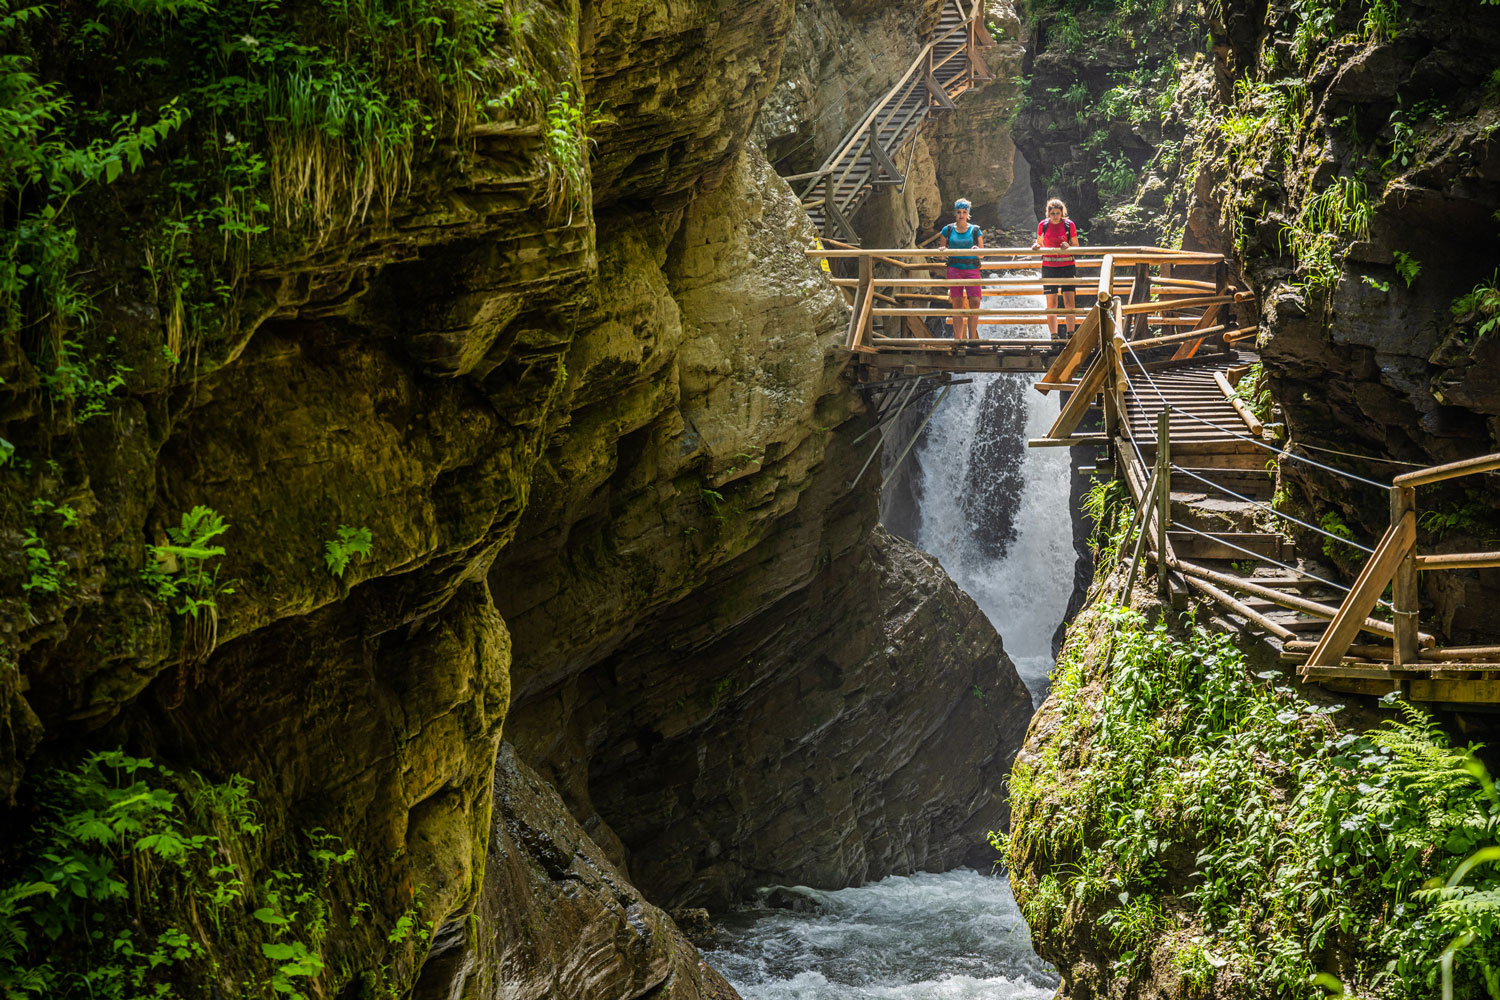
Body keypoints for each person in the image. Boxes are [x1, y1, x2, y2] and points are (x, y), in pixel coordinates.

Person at [1032, 198, 1079, 337]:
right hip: (1049, 266)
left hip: (1067, 266)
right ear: (1048, 213)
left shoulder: (1069, 225)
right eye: (1052, 213)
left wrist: (1069, 247)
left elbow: (1076, 247)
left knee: (1069, 302)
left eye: (1058, 213)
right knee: (1051, 303)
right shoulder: (1043, 225)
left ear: (1062, 213)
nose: (1055, 216)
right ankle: (1054, 336)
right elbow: (1040, 243)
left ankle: (1071, 334)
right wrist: (1036, 246)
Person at [940, 199, 985, 341]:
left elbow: (982, 253)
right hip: (954, 268)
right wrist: (943, 251)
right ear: (955, 213)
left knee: (975, 302)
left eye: (964, 212)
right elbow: (942, 253)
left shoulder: (975, 230)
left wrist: (977, 250)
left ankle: (972, 339)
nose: (961, 215)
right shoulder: (947, 230)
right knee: (957, 303)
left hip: (972, 268)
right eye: (959, 212)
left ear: (968, 214)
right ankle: (958, 339)